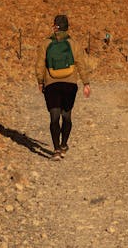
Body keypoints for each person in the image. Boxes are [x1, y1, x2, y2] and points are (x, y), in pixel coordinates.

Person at [35, 14, 91, 160]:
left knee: (54, 117)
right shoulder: (74, 44)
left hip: (52, 84)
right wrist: (86, 83)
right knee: (66, 115)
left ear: (55, 26)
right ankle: (64, 144)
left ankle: (56, 150)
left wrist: (40, 81)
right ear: (67, 27)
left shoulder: (46, 43)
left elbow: (40, 64)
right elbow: (81, 64)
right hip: (69, 85)